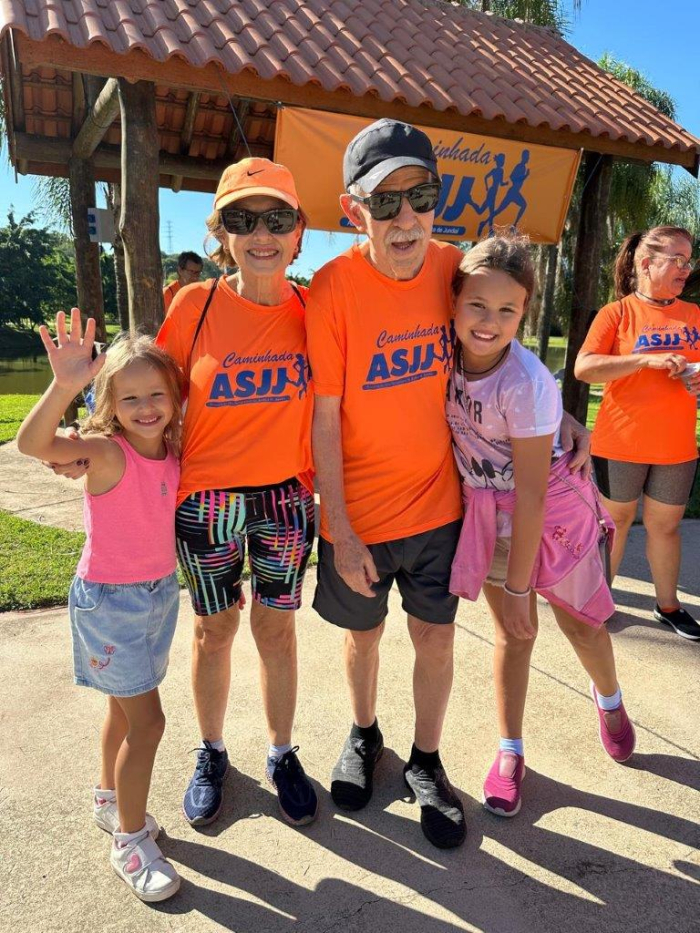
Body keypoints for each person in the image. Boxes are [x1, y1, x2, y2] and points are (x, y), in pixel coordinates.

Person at [306, 118, 590, 849]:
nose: (406, 218)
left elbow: (498, 341)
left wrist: (554, 414)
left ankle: (426, 759)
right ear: (354, 210)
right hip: (359, 515)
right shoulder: (333, 288)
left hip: (439, 505)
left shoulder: (454, 269)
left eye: (421, 197)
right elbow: (325, 416)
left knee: (434, 637)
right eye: (385, 201)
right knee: (364, 636)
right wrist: (340, 529)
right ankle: (364, 734)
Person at [447, 235, 635, 818]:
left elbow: (531, 495)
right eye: (478, 305)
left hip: (551, 512)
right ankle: (511, 751)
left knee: (582, 626)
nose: (489, 322)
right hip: (487, 513)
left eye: (507, 310)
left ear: (525, 312)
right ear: (453, 302)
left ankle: (610, 699)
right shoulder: (440, 353)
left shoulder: (524, 382)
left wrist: (519, 586)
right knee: (515, 634)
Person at [156, 157, 317, 828]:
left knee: (276, 630)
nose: (261, 234)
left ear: (298, 231)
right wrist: (96, 442)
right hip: (207, 501)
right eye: (242, 220)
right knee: (213, 629)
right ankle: (213, 750)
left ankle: (281, 752)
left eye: (276, 218)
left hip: (285, 499)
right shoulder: (193, 306)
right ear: (220, 231)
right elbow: (151, 397)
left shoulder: (313, 309)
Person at [17, 313, 183, 902]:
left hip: (158, 594)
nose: (145, 407)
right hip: (111, 603)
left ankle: (109, 799)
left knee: (123, 706)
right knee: (149, 722)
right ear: (110, 403)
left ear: (175, 397)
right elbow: (32, 444)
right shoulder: (105, 452)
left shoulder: (173, 450)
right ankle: (129, 841)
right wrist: (64, 385)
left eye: (156, 394)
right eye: (129, 397)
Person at [575, 226, 700, 641]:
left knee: (666, 527)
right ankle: (597, 602)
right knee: (615, 523)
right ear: (646, 264)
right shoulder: (617, 313)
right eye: (677, 260)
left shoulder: (694, 315)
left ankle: (668, 606)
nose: (686, 268)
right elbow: (585, 367)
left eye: (688, 260)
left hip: (677, 447)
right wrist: (645, 361)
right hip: (621, 443)